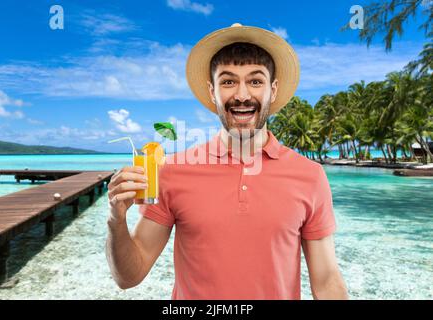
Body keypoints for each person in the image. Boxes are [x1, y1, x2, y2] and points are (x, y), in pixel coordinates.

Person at [106, 23, 348, 300]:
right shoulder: (172, 171)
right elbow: (128, 276)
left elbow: (327, 280)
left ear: (273, 89)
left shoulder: (310, 176)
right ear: (212, 91)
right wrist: (116, 219)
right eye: (228, 81)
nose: (242, 95)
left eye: (255, 81)